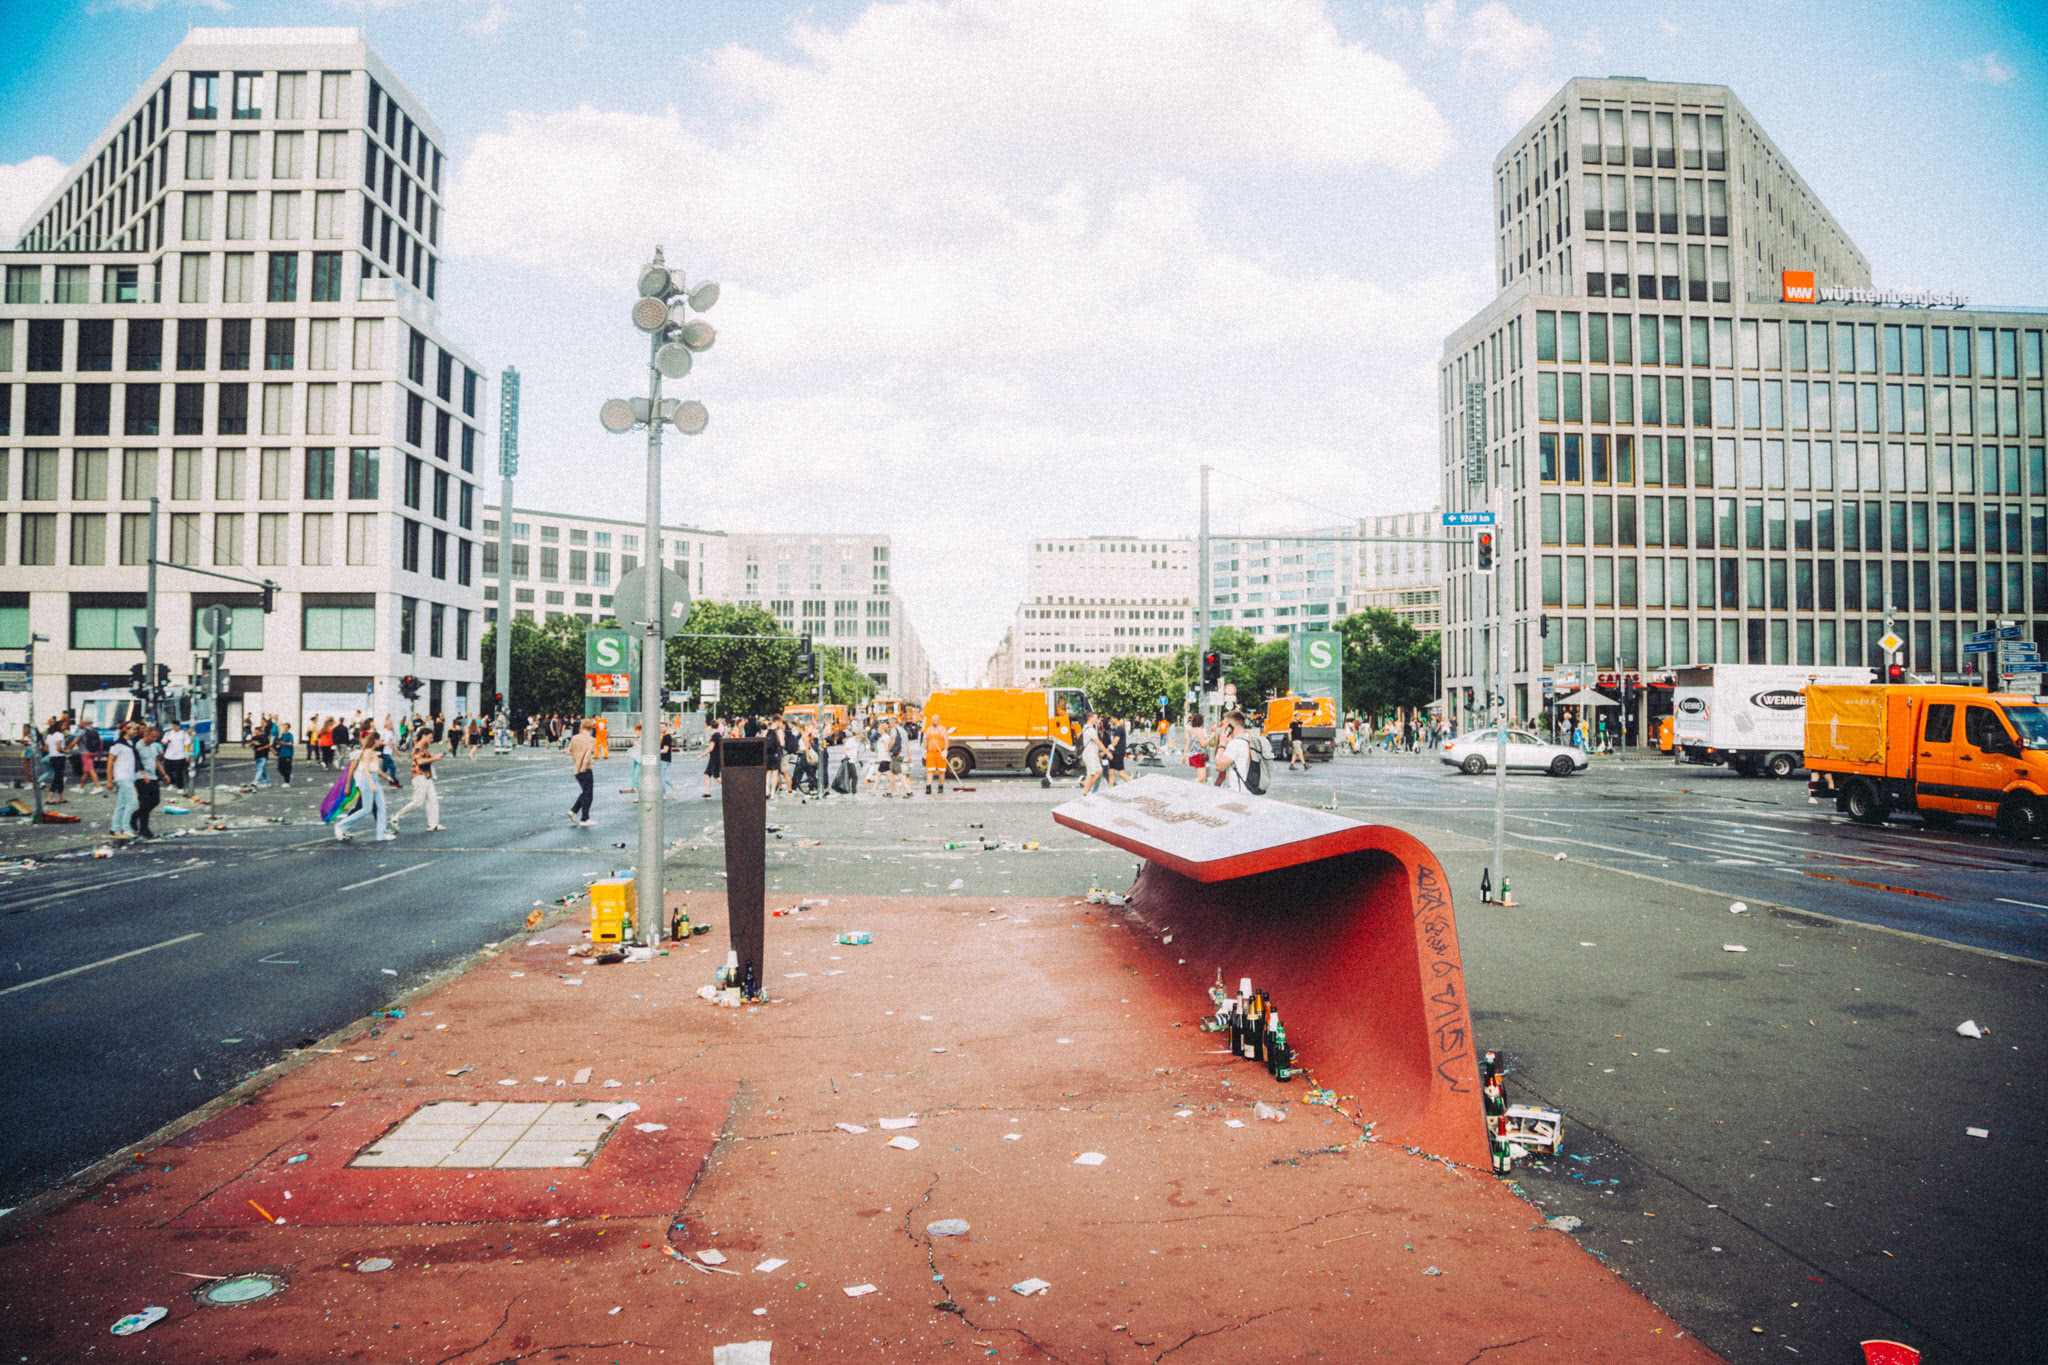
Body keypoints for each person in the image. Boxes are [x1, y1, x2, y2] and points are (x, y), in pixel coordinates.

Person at [334, 736, 397, 842]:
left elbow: (376, 770)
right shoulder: (367, 752)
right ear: (375, 740)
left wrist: (388, 778)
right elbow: (365, 770)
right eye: (380, 740)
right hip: (367, 781)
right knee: (366, 809)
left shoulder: (374, 752)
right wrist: (371, 784)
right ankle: (341, 826)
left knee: (381, 807)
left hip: (374, 780)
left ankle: (381, 834)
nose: (381, 742)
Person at [389, 729, 443, 833]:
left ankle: (433, 824)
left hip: (426, 776)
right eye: (430, 737)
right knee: (418, 802)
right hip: (419, 776)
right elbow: (420, 761)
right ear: (424, 736)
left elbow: (426, 757)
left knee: (433, 800)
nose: (431, 739)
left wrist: (435, 756)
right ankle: (396, 817)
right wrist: (434, 758)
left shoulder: (424, 747)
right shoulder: (418, 747)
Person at [107, 722, 141, 838]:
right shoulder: (118, 745)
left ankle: (115, 828)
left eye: (136, 729)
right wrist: (109, 780)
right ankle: (126, 828)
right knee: (133, 802)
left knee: (121, 804)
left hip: (129, 776)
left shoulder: (130, 743)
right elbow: (110, 762)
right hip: (122, 776)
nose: (136, 731)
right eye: (133, 729)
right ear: (126, 730)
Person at [132, 725, 166, 838]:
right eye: (152, 737)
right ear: (146, 735)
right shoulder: (138, 746)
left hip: (153, 777)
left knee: (155, 800)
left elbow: (156, 761)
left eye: (156, 737)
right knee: (145, 803)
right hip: (141, 777)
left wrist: (164, 774)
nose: (154, 739)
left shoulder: (153, 746)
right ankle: (144, 829)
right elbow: (136, 762)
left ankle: (135, 815)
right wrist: (142, 775)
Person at [1211, 710, 1253, 793]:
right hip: (1248, 790)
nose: (1223, 728)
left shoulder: (1235, 744)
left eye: (1224, 725)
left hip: (1238, 792)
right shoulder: (1247, 740)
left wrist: (1222, 744)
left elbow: (1219, 766)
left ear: (1230, 726)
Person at [1079, 712, 1106, 795]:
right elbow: (1098, 742)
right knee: (1091, 773)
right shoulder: (1090, 729)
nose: (1097, 720)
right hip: (1089, 754)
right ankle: (1085, 792)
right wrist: (1107, 752)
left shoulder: (1090, 728)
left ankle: (1087, 786)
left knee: (1099, 771)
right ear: (1090, 718)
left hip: (1093, 754)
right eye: (1096, 718)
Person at [160, 720, 190, 794]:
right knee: (167, 770)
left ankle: (180, 787)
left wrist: (187, 754)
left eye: (176, 726)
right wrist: (165, 742)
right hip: (169, 755)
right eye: (173, 726)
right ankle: (172, 783)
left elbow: (187, 745)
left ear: (179, 726)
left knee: (179, 772)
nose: (174, 727)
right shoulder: (168, 733)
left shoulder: (183, 733)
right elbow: (163, 741)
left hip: (180, 756)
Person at [923, 718, 950, 796]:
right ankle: (928, 787)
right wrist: (924, 750)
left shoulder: (943, 729)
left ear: (938, 720)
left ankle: (940, 786)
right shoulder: (928, 729)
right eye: (932, 720)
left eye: (935, 720)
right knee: (930, 770)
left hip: (940, 753)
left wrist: (945, 750)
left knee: (941, 771)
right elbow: (926, 740)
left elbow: (946, 741)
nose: (933, 721)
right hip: (931, 753)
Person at [250, 721, 273, 788]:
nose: (255, 732)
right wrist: (252, 743)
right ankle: (267, 781)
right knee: (262, 769)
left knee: (259, 769)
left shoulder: (264, 737)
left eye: (256, 731)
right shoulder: (254, 738)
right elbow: (251, 745)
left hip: (263, 755)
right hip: (257, 755)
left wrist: (261, 748)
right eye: (254, 731)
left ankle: (255, 781)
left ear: (259, 731)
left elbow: (268, 745)